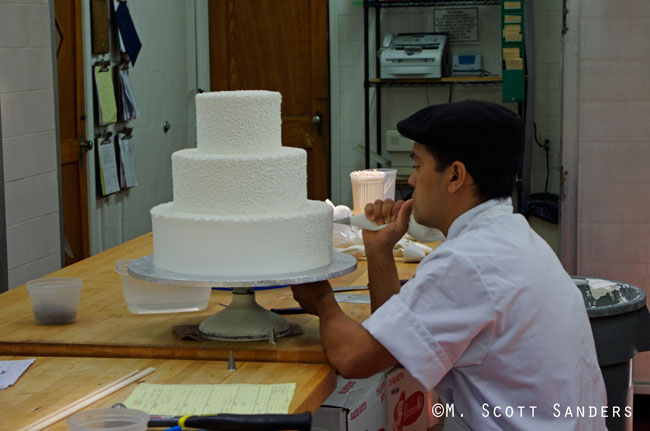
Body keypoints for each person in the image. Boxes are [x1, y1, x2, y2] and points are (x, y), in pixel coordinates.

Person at [291, 100, 607, 430]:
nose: (411, 180)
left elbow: (353, 357)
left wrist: (322, 299)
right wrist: (380, 250)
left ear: (455, 175)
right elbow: (397, 346)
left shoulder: (467, 262)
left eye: (417, 165)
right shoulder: (512, 237)